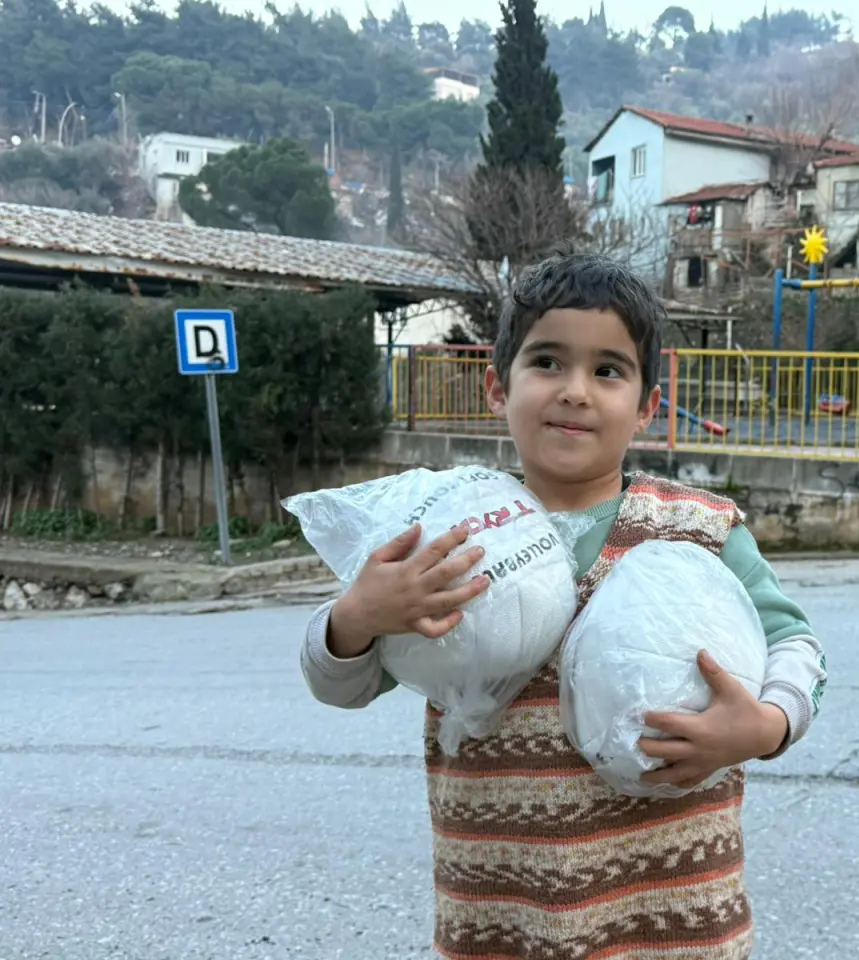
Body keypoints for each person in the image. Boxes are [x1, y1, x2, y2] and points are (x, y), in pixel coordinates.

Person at [300, 253, 827, 959]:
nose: (575, 391)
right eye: (547, 362)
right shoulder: (450, 534)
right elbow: (341, 684)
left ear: (647, 406)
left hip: (674, 920)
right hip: (503, 923)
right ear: (498, 388)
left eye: (608, 370)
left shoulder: (699, 531)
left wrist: (765, 726)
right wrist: (358, 618)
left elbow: (795, 644)